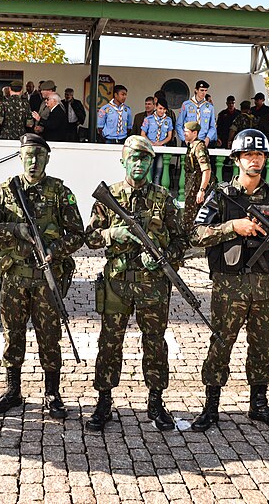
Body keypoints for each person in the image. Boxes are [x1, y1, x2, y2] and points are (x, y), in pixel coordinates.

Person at [189, 128, 269, 432]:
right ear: (236, 159)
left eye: (259, 154)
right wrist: (232, 226)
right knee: (221, 344)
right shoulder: (221, 195)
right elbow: (196, 235)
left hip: (266, 286)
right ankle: (210, 407)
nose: (254, 160)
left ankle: (259, 405)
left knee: (263, 346)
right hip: (229, 286)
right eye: (248, 154)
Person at [84, 135, 186, 431]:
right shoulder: (109, 196)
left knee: (155, 343)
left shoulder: (163, 198)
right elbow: (89, 238)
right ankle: (104, 401)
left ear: (151, 162)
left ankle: (156, 402)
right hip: (117, 283)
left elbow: (182, 239)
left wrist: (165, 256)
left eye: (144, 158)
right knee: (109, 343)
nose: (138, 163)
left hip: (152, 285)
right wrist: (111, 235)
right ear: (123, 161)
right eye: (133, 157)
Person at [0, 134, 85, 418]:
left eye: (39, 156)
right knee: (12, 335)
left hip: (45, 279)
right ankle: (12, 390)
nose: (33, 161)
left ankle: (52, 393)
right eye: (28, 155)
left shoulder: (59, 191)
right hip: (15, 277)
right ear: (20, 157)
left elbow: (78, 235)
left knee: (49, 336)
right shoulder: (6, 190)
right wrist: (16, 230)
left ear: (47, 159)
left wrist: (55, 249)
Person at [181, 121, 213, 231]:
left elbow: (206, 170)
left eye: (187, 132)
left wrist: (202, 190)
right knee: (188, 217)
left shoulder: (199, 147)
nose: (184, 134)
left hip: (196, 187)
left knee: (195, 218)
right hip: (191, 187)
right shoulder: (191, 146)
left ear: (195, 133)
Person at [140, 98, 174, 185]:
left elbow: (169, 136)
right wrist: (151, 143)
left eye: (164, 109)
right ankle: (147, 191)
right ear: (156, 107)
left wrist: (160, 143)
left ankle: (156, 191)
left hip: (162, 148)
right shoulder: (149, 119)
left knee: (159, 171)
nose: (162, 111)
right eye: (160, 108)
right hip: (150, 148)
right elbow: (143, 134)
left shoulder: (168, 120)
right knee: (149, 170)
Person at [175, 80, 216, 148]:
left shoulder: (209, 107)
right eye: (201, 90)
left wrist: (208, 138)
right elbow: (179, 124)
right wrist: (184, 139)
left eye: (206, 90)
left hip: (203, 141)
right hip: (188, 141)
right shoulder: (187, 105)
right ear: (196, 90)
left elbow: (212, 127)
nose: (204, 93)